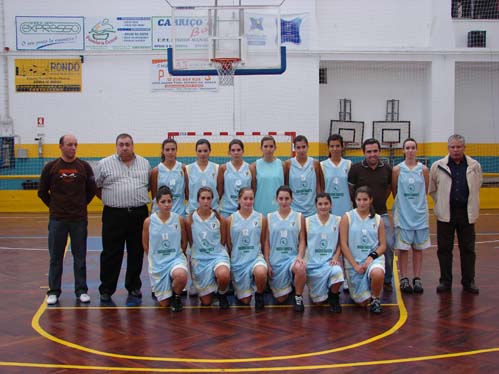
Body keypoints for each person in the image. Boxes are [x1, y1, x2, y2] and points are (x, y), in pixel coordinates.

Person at [38, 135, 96, 305]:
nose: (73, 147)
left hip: (79, 220)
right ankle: (54, 291)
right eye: (69, 144)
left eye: (75, 144)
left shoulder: (84, 167)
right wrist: (55, 207)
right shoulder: (51, 167)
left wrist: (80, 205)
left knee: (80, 256)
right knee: (56, 257)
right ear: (61, 146)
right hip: (58, 220)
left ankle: (81, 291)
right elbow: (42, 192)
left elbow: (91, 190)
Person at [95, 133, 151, 302]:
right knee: (111, 253)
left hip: (138, 213)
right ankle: (106, 289)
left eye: (128, 144)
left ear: (133, 145)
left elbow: (147, 186)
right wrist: (112, 199)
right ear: (116, 146)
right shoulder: (104, 164)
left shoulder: (144, 163)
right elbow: (97, 187)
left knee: (136, 252)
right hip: (114, 214)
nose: (125, 147)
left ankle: (133, 286)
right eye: (121, 144)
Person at [429, 134, 483, 294]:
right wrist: (442, 204)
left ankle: (468, 281)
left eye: (458, 146)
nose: (455, 150)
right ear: (448, 148)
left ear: (464, 147)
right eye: (452, 147)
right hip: (446, 214)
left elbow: (477, 185)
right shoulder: (437, 166)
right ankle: (445, 281)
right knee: (444, 249)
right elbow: (432, 190)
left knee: (468, 249)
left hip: (467, 213)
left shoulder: (475, 166)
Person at [348, 138, 394, 292]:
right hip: (359, 216)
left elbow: (388, 189)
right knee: (354, 245)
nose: (372, 154)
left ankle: (386, 279)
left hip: (381, 213)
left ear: (379, 151)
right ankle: (354, 276)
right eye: (369, 152)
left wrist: (378, 204)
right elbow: (351, 191)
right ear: (364, 153)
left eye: (375, 151)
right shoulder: (355, 169)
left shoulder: (387, 169)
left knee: (388, 244)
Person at [339, 186, 386, 314]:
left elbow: (383, 246)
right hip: (354, 263)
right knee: (361, 303)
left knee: (377, 273)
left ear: (371, 200)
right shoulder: (347, 218)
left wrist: (371, 257)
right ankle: (366, 290)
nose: (362, 203)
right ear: (355, 200)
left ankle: (376, 299)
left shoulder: (378, 219)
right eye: (359, 200)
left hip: (372, 259)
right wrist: (354, 265)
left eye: (365, 199)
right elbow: (343, 244)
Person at [392, 138, 430, 294]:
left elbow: (425, 190)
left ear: (416, 149)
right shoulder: (397, 170)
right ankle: (404, 278)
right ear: (403, 150)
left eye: (413, 147)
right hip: (403, 214)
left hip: (419, 214)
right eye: (407, 147)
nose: (410, 150)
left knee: (418, 248)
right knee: (403, 248)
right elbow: (395, 191)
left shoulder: (424, 170)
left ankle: (417, 278)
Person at [142, 186, 188, 311]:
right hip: (158, 263)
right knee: (164, 304)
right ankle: (168, 291)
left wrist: (180, 254)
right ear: (157, 203)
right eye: (163, 202)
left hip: (175, 259)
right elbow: (145, 244)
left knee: (181, 275)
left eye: (169, 201)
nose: (167, 204)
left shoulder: (178, 219)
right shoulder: (149, 221)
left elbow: (184, 241)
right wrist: (153, 257)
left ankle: (177, 296)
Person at [185, 187, 231, 307]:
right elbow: (191, 243)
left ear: (212, 200)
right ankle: (211, 287)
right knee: (206, 302)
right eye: (203, 198)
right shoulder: (190, 219)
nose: (206, 201)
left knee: (224, 275)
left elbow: (223, 241)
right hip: (200, 259)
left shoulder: (219, 218)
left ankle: (222, 293)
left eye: (208, 198)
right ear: (198, 200)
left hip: (217, 256)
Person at [264, 185, 307, 312]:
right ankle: (291, 283)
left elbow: (302, 240)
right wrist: (267, 262)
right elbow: (266, 242)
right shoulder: (270, 217)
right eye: (281, 198)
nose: (284, 201)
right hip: (276, 259)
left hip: (291, 258)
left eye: (287, 198)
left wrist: (299, 256)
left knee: (300, 268)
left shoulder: (299, 217)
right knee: (281, 299)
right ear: (276, 199)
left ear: (292, 199)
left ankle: (298, 297)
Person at [226, 187, 267, 310]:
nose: (248, 201)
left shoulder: (261, 218)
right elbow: (229, 244)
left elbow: (263, 241)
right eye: (245, 199)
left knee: (260, 272)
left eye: (251, 199)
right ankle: (240, 288)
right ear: (239, 200)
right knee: (245, 301)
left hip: (255, 258)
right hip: (238, 261)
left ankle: (259, 294)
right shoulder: (230, 219)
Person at [305, 192, 344, 313]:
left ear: (331, 205)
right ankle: (323, 289)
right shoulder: (307, 221)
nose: (323, 206)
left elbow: (341, 243)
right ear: (316, 205)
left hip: (329, 262)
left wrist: (336, 257)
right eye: (320, 204)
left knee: (338, 272)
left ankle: (334, 297)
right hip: (313, 264)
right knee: (318, 303)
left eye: (326, 203)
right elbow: (302, 243)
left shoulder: (338, 220)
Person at [284, 135, 323, 217]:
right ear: (294, 148)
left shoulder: (315, 163)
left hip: (312, 209)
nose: (301, 150)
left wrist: (320, 203)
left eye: (303, 147)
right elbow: (286, 186)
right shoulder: (288, 164)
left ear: (308, 147)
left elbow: (319, 185)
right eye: (298, 147)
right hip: (294, 209)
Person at [150, 138, 188, 216]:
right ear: (163, 151)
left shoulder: (183, 168)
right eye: (167, 150)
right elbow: (155, 197)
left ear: (176, 151)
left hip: (180, 213)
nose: (170, 152)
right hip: (162, 214)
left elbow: (187, 193)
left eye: (173, 149)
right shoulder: (156, 171)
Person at [250, 136, 287, 215]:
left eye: (271, 146)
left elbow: (285, 185)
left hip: (278, 205)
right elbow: (253, 187)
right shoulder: (254, 166)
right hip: (260, 204)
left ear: (275, 148)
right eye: (265, 146)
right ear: (261, 148)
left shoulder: (282, 164)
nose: (268, 149)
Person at [217, 139, 252, 217]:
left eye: (238, 150)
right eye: (233, 150)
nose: (236, 152)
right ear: (229, 152)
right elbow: (220, 190)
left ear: (243, 151)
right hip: (226, 210)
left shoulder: (250, 167)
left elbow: (253, 188)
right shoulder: (223, 168)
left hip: (245, 209)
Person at [321, 134, 352, 217]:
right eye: (332, 146)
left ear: (342, 147)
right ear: (328, 148)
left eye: (337, 146)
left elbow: (351, 188)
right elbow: (321, 188)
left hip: (345, 207)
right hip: (328, 208)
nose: (335, 149)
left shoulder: (348, 164)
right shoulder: (322, 165)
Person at [186, 139, 219, 215]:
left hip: (212, 211)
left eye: (205, 151)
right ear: (196, 152)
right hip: (193, 211)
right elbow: (187, 192)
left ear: (210, 151)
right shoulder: (188, 169)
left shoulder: (217, 168)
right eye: (200, 151)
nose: (202, 154)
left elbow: (219, 190)